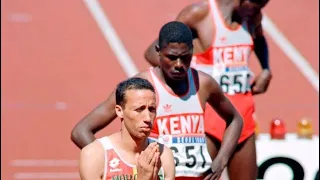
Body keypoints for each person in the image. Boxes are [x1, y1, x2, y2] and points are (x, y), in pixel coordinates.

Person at [72, 21, 244, 180]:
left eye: (185, 57)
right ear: (158, 52)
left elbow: (235, 119)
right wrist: (116, 162)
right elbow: (81, 131)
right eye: (171, 57)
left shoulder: (204, 83)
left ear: (192, 51)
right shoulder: (141, 89)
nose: (179, 64)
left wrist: (222, 159)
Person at [143, 0, 272, 179]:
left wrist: (266, 68)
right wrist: (183, 75)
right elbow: (153, 52)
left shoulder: (252, 16)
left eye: (264, 3)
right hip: (208, 115)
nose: (260, 8)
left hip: (242, 114)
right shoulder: (199, 13)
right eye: (256, 2)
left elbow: (259, 39)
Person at [79, 77, 175, 180]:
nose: (147, 118)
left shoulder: (163, 154)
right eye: (139, 109)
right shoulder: (94, 155)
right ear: (119, 111)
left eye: (151, 109)